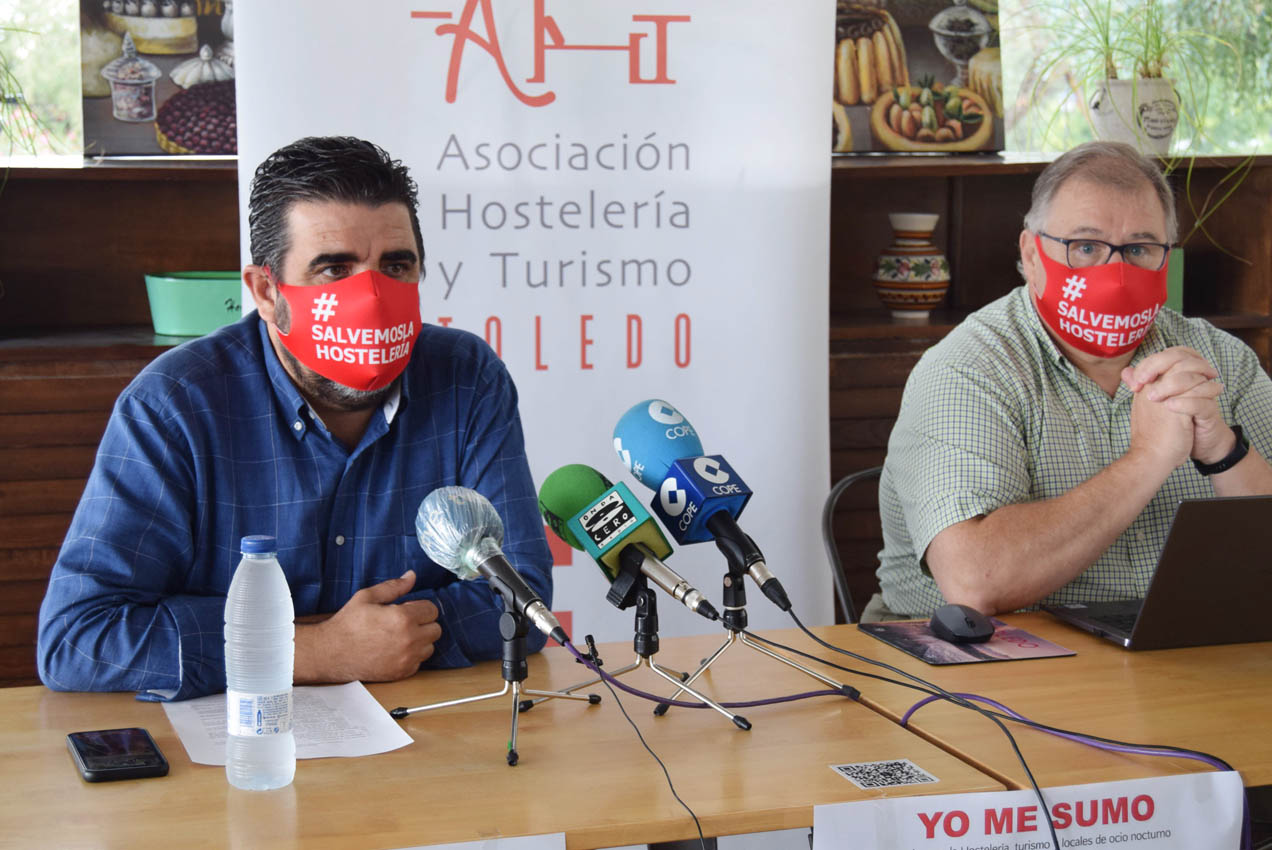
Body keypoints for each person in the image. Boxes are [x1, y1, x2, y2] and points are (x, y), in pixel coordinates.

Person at [37, 136, 553, 699]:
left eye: (396, 266)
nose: (373, 297)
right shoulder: (175, 403)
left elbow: (521, 598)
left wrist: (383, 636)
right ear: (265, 291)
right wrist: (315, 649)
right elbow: (77, 639)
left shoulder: (465, 377)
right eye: (335, 269)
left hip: (419, 741)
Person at [872, 141, 1272, 620]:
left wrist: (1224, 453)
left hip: (1178, 650)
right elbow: (975, 582)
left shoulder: (1221, 361)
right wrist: (1148, 459)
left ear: (1167, 257)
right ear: (1032, 253)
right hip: (979, 663)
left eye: (1140, 248)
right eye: (1085, 247)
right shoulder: (967, 369)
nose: (1116, 273)